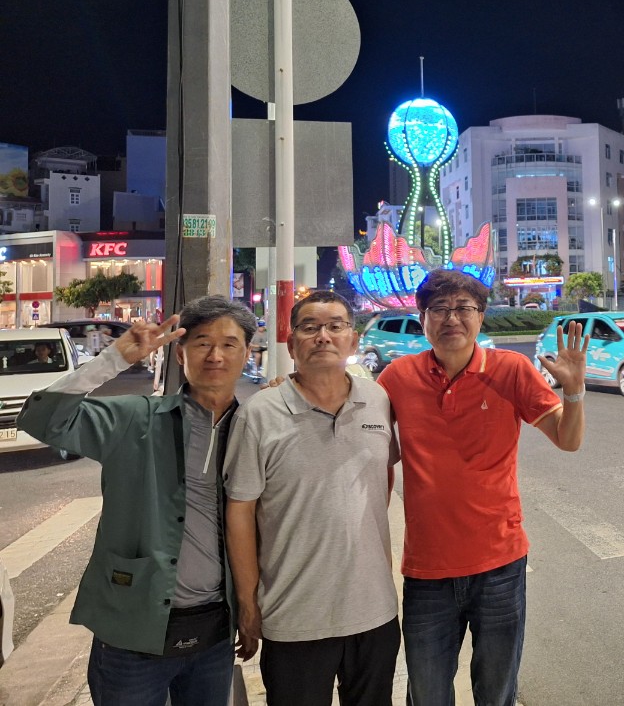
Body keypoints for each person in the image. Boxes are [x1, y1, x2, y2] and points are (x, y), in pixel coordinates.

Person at [16, 296, 256, 706]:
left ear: (247, 353)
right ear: (180, 353)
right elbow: (41, 420)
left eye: (229, 344)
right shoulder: (136, 419)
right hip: (132, 631)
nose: (215, 355)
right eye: (202, 343)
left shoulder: (256, 426)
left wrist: (249, 610)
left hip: (215, 630)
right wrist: (113, 360)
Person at [376, 269, 588, 706]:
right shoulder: (397, 377)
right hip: (427, 570)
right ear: (422, 318)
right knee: (427, 694)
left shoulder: (511, 369)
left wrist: (574, 390)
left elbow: (568, 441)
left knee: (496, 693)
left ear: (481, 316)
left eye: (464, 308)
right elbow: (366, 437)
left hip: (499, 564)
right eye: (439, 308)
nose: (452, 318)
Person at [224, 291, 400, 706]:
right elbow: (240, 512)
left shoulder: (378, 400)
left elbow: (383, 477)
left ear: (353, 340)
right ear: (291, 343)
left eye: (336, 326)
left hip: (374, 612)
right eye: (310, 327)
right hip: (294, 617)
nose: (324, 336)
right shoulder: (259, 413)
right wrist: (248, 602)